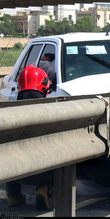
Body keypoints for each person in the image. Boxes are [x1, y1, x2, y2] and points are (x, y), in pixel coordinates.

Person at [6, 65, 53, 210]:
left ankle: (13, 196)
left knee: (8, 152)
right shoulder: (54, 113)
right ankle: (43, 189)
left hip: (15, 172)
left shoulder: (10, 112)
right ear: (43, 85)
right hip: (42, 171)